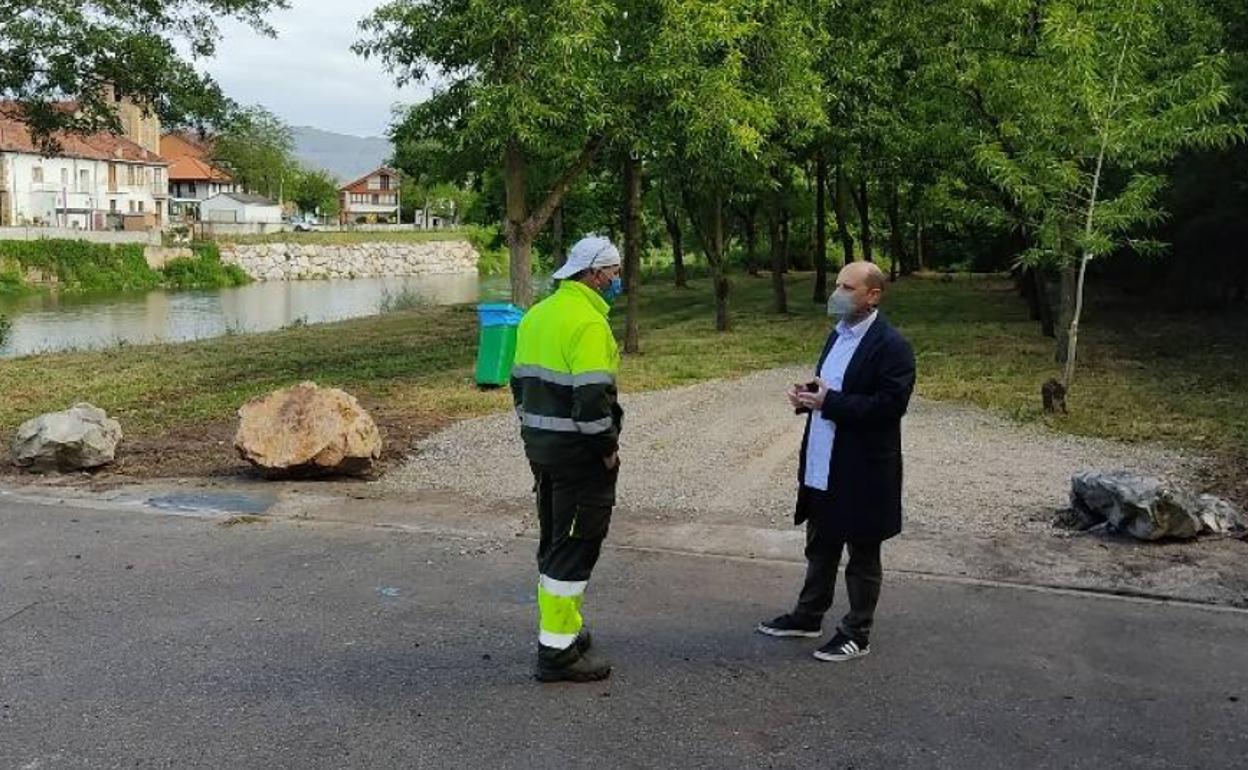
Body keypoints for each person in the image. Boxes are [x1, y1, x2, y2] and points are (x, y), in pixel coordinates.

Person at [757, 261, 916, 662]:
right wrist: (809, 396)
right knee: (821, 542)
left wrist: (831, 402)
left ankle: (856, 633)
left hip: (864, 467)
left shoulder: (892, 345)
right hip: (823, 461)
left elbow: (890, 405)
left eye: (846, 287)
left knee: (862, 553)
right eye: (837, 285)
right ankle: (808, 615)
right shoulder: (837, 336)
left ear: (872, 295)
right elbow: (832, 388)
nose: (836, 293)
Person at [510, 235, 625, 683]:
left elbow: (517, 386)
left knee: (556, 541)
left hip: (543, 454)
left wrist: (535, 433)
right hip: (581, 459)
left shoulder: (537, 315)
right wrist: (608, 449)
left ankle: (565, 630)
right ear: (595, 274)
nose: (618, 281)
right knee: (574, 550)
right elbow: (592, 401)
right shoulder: (589, 324)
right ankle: (557, 654)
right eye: (614, 274)